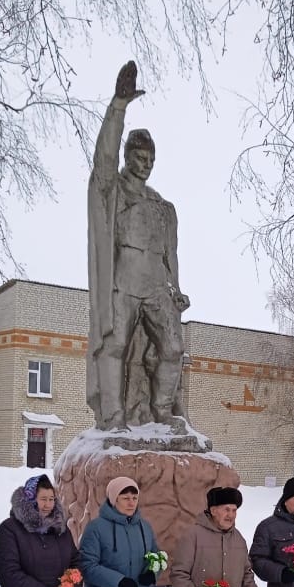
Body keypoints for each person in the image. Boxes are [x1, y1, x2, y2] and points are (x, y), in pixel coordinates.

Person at [87, 60, 190, 431]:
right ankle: (114, 418)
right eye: (139, 157)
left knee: (173, 349)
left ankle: (162, 411)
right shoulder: (112, 191)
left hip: (155, 286)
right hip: (122, 283)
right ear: (128, 156)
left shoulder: (161, 205)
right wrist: (118, 107)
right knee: (114, 347)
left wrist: (177, 289)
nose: (145, 165)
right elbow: (102, 161)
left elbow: (169, 253)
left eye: (150, 160)